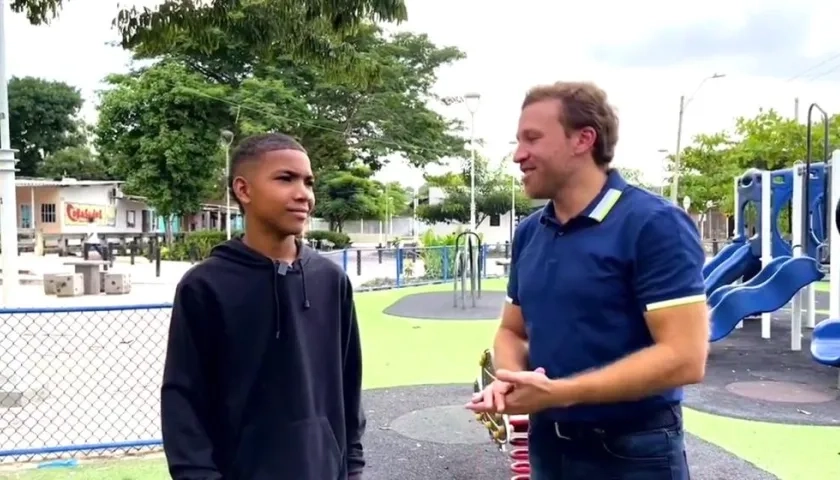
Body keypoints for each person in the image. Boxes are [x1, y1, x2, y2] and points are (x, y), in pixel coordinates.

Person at [467, 82, 709, 479]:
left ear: (583, 139)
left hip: (633, 452)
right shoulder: (531, 232)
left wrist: (560, 393)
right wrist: (512, 379)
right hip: (549, 444)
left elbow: (685, 357)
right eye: (518, 140)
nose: (518, 155)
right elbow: (513, 331)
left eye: (532, 139)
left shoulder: (653, 224)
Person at [160, 133, 366, 480]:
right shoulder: (205, 286)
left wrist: (352, 469)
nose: (304, 194)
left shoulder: (331, 281)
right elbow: (183, 399)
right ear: (244, 190)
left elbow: (349, 385)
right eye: (286, 179)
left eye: (308, 182)